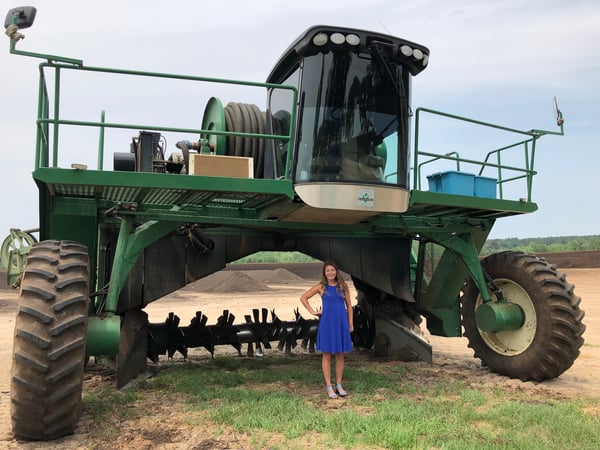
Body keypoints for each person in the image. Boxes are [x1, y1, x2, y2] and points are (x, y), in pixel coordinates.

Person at [300, 260, 354, 399]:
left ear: (336, 271)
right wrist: (312, 311)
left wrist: (350, 323)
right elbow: (304, 297)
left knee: (340, 355)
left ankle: (339, 385)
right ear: (324, 273)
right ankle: (329, 386)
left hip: (341, 323)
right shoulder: (321, 287)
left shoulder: (343, 286)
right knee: (327, 355)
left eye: (332, 270)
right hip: (327, 324)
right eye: (327, 271)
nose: (330, 273)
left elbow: (349, 306)